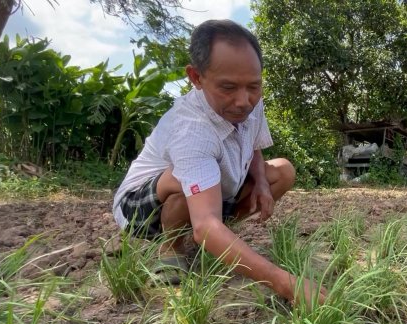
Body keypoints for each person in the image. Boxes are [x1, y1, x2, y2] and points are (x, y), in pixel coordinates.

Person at [112, 19, 325, 305]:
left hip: (213, 190)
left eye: (254, 86)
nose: (243, 101)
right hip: (143, 208)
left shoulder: (250, 102)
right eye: (228, 88)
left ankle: (214, 239)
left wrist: (261, 183)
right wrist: (287, 284)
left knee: (282, 171)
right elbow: (203, 221)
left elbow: (254, 147)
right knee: (181, 181)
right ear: (196, 78)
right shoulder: (190, 128)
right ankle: (171, 248)